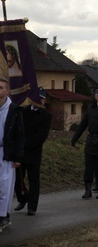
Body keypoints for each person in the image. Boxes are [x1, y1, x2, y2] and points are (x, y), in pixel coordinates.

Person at [14, 87, 51, 216]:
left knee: (33, 180)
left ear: (44, 101)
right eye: (37, 98)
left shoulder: (46, 115)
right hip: (20, 152)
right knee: (17, 179)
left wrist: (25, 143)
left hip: (34, 153)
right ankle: (23, 198)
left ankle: (32, 206)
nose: (39, 101)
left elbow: (41, 136)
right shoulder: (23, 112)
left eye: (41, 98)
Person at [0, 77, 24, 232]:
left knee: (5, 186)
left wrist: (17, 157)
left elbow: (19, 135)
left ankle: (3, 216)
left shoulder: (14, 110)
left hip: (6, 152)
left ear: (7, 91)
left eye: (1, 87)